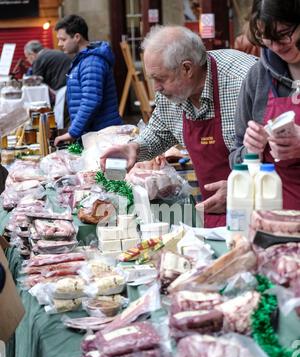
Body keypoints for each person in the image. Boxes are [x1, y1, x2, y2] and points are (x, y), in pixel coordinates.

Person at [101, 25, 257, 227]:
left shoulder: (245, 81)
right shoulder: (171, 91)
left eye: (160, 79)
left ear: (187, 68)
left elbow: (281, 155)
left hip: (263, 209)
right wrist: (134, 148)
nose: (156, 88)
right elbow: (160, 130)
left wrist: (245, 187)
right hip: (215, 210)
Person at [230, 0, 300, 210]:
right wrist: (251, 150)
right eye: (267, 38)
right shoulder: (257, 77)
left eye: (284, 34)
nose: (277, 46)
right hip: (274, 218)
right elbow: (235, 157)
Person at [54, 14, 122, 147]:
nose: (59, 44)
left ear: (77, 37)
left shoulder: (91, 63)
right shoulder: (83, 60)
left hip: (102, 137)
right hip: (95, 136)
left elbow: (91, 100)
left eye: (63, 39)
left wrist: (72, 133)